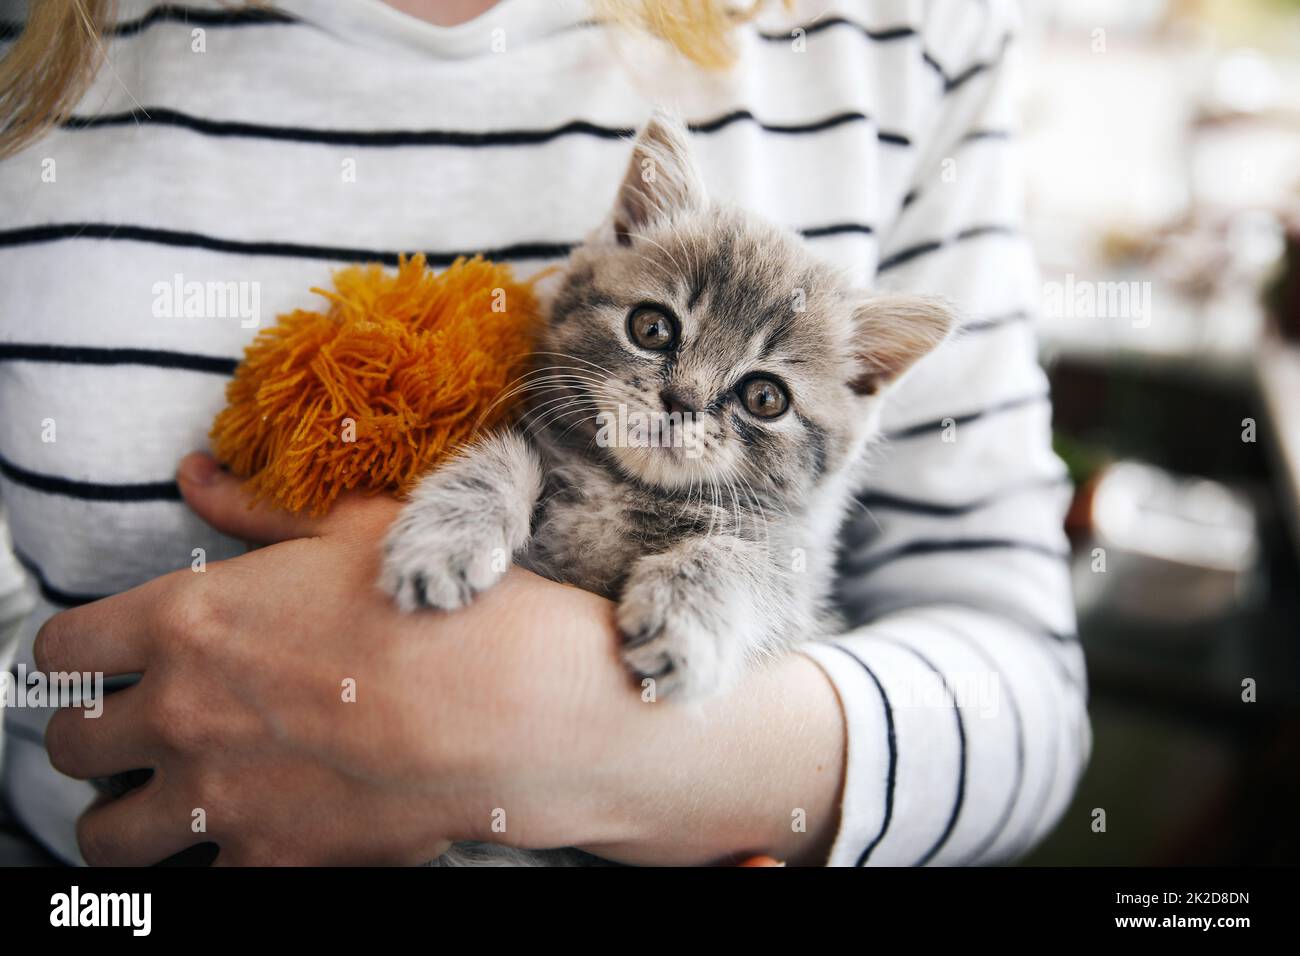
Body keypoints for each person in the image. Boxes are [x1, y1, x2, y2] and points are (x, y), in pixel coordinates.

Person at [0, 0, 1089, 866]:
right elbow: (523, 448)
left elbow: (1024, 690)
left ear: (861, 385)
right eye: (656, 331)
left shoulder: (914, 30)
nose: (683, 400)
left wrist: (573, 734)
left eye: (758, 396)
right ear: (614, 245)